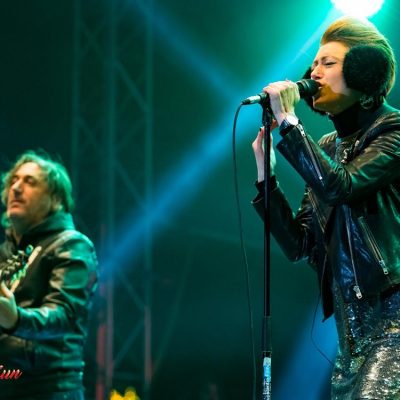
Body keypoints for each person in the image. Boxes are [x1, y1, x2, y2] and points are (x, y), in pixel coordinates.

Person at [251, 16, 400, 400]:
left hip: (394, 327)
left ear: (363, 73)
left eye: (328, 63)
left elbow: (341, 186)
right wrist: (266, 178)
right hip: (350, 338)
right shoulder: (329, 146)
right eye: (314, 63)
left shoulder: (393, 131)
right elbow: (300, 244)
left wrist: (289, 123)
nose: (314, 72)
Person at [0, 150, 98, 399]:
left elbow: (64, 315)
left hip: (49, 390)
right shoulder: (4, 253)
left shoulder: (71, 245)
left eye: (30, 182)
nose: (16, 188)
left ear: (55, 199)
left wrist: (16, 318)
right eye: (14, 181)